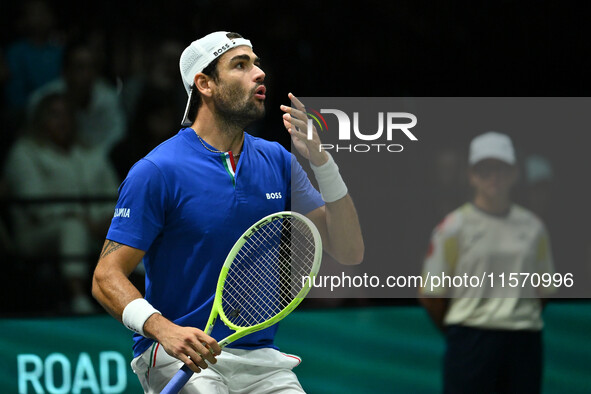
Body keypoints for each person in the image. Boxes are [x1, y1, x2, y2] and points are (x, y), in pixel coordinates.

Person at [92, 31, 364, 393]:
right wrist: (162, 328)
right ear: (204, 84)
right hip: (180, 356)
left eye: (257, 63)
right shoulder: (157, 171)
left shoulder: (278, 161)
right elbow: (105, 277)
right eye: (241, 64)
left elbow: (349, 251)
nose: (259, 73)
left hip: (260, 358)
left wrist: (324, 164)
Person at [419, 131, 555, 393]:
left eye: (501, 169)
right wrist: (466, 330)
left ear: (514, 174)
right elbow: (430, 295)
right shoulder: (452, 227)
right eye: (485, 170)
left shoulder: (534, 227)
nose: (494, 177)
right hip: (470, 344)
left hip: (523, 344)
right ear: (471, 175)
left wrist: (513, 319)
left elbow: (543, 289)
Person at [3, 92, 119, 314]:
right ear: (40, 119)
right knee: (72, 227)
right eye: (54, 115)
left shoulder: (89, 152)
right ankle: (78, 298)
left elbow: (116, 193)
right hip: (36, 233)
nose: (62, 121)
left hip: (97, 229)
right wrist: (83, 220)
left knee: (131, 227)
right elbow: (35, 205)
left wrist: (106, 219)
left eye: (67, 114)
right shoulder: (24, 152)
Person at [27, 38, 126, 156]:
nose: (87, 74)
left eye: (92, 67)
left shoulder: (108, 98)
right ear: (66, 71)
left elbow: (116, 136)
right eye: (80, 67)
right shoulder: (42, 100)